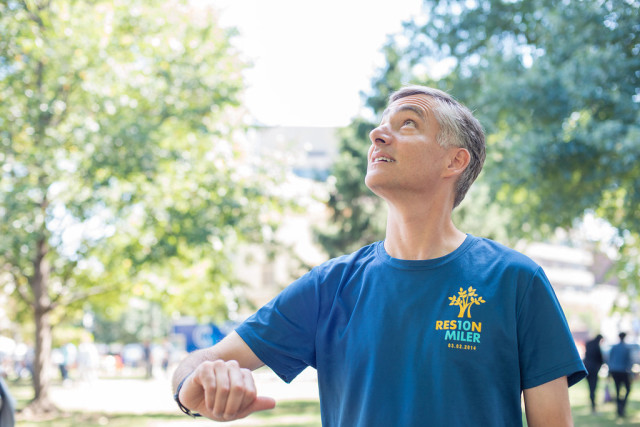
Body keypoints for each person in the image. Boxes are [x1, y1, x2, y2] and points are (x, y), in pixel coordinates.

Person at [171, 85, 587, 426]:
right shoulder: (329, 286)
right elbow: (198, 361)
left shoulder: (516, 280)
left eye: (408, 124)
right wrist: (192, 388)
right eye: (381, 125)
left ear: (454, 161)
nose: (378, 135)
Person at [608, 332, 633, 418]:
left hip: (615, 371)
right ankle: (621, 406)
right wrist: (631, 374)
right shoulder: (626, 348)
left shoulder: (614, 347)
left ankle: (619, 407)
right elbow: (629, 362)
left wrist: (609, 372)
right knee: (627, 389)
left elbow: (609, 360)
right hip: (623, 371)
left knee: (618, 390)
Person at [583, 334, 604, 412]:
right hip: (594, 370)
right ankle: (593, 405)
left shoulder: (588, 344)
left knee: (590, 388)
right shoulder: (597, 347)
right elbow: (600, 359)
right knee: (593, 388)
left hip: (587, 368)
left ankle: (592, 403)